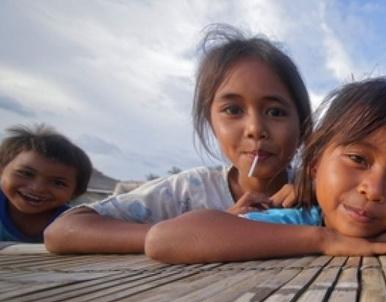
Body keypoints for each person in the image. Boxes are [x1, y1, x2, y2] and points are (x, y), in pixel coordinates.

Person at [44, 24, 312, 254]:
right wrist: (197, 230)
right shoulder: (189, 192)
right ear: (211, 122)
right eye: (233, 110)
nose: (255, 128)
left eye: (275, 112)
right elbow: (63, 230)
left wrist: (322, 199)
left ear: (302, 124)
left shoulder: (317, 191)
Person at [144, 77, 386, 263]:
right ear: (313, 166)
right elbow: (165, 239)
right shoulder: (295, 222)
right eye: (358, 159)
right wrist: (323, 240)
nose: (374, 191)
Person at [0, 124, 92, 242]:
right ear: (2, 170)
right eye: (26, 174)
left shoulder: (73, 224)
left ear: (75, 192)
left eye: (58, 183)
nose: (37, 188)